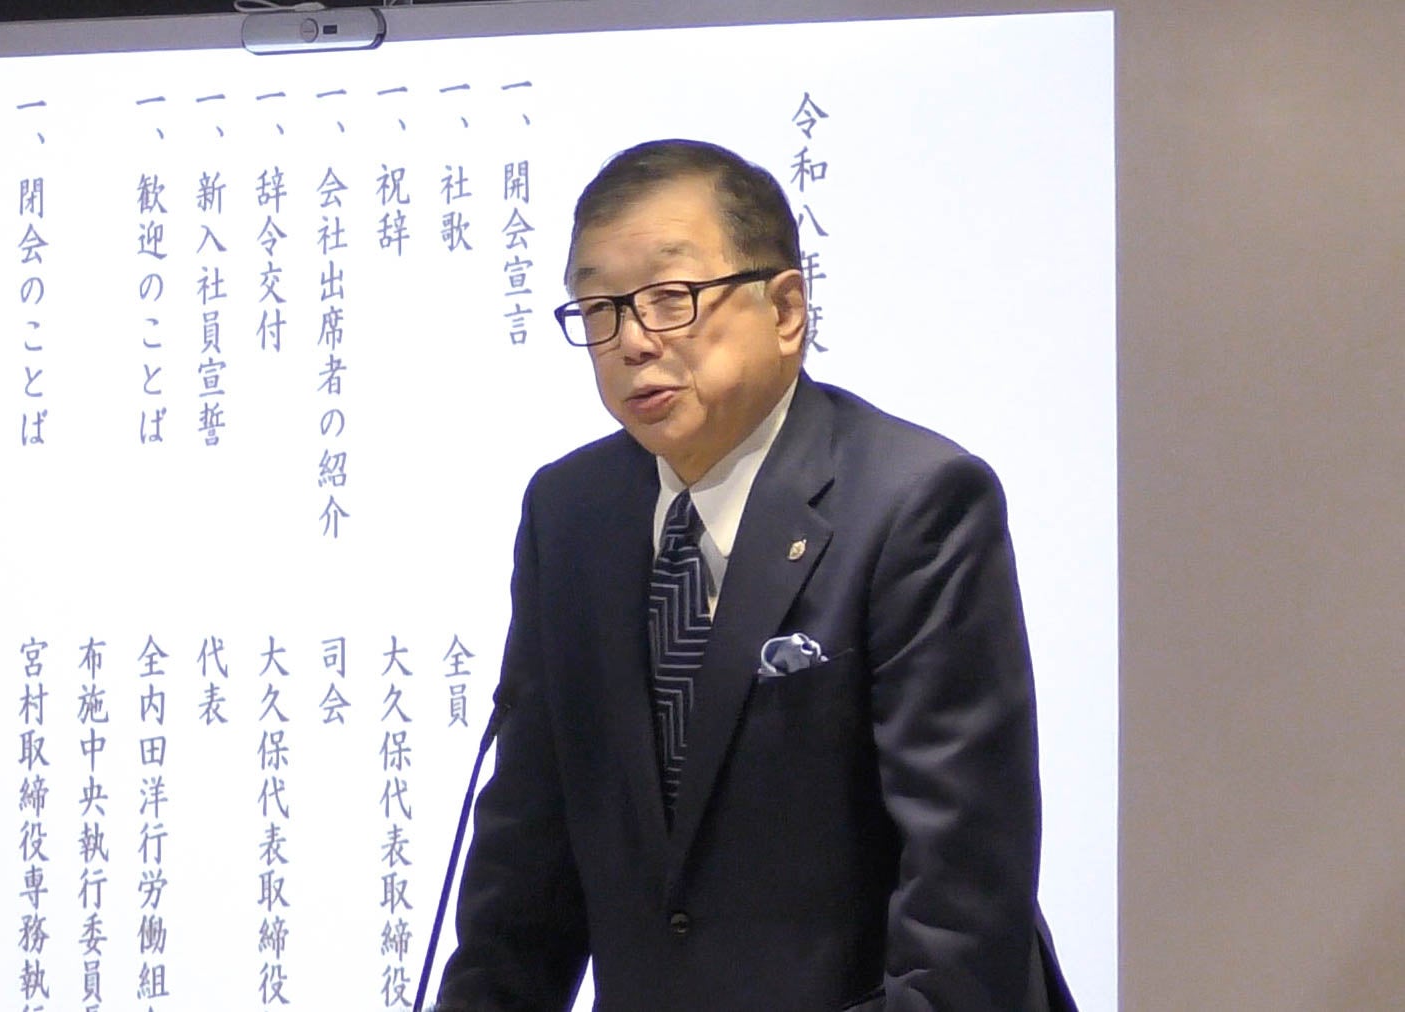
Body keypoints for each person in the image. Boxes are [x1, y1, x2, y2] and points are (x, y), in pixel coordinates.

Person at [435, 139, 1076, 1011]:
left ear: (785, 310)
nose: (632, 342)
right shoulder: (571, 514)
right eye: (599, 309)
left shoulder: (915, 505)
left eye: (670, 299)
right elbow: (524, 871)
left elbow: (962, 898)